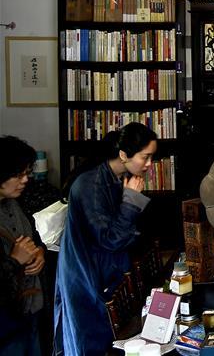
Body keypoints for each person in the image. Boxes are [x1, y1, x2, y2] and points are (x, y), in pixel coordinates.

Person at [54, 122, 157, 356]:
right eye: (145, 157)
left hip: (106, 272)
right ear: (123, 155)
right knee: (91, 342)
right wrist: (132, 199)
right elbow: (110, 239)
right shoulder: (89, 185)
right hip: (86, 275)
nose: (150, 165)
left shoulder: (119, 177)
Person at [0, 136, 45, 356]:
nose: (25, 180)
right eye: (18, 175)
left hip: (30, 307)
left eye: (26, 173)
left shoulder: (15, 203)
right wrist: (15, 260)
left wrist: (40, 253)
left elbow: (34, 238)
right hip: (5, 323)